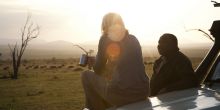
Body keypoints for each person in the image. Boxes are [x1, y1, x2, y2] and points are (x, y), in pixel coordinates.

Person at [81, 13, 149, 110]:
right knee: (109, 84)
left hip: (123, 95)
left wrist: (94, 63)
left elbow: (98, 70)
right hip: (143, 92)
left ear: (105, 25)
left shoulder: (105, 39)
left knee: (86, 75)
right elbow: (124, 64)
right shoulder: (133, 39)